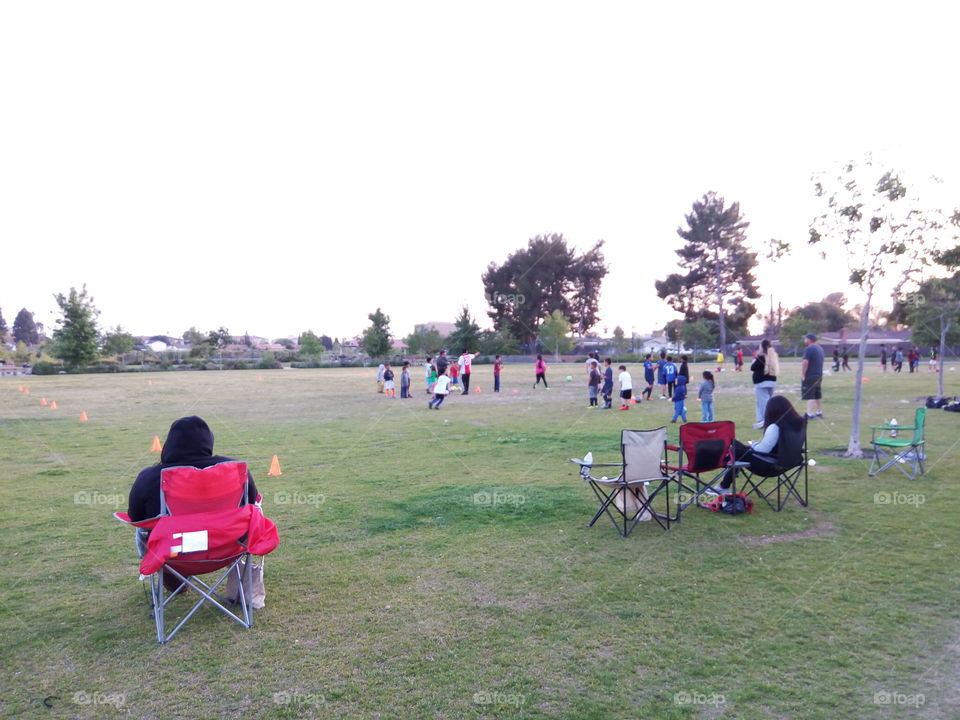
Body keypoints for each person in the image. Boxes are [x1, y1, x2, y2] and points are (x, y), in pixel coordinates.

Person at [128, 416, 260, 580]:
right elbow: (251, 503)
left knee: (146, 529)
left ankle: (173, 581)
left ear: (170, 444)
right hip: (227, 549)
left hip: (173, 555)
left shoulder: (150, 476)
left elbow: (136, 517)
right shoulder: (234, 469)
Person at [716, 395, 805, 491]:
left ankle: (723, 485)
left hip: (769, 466)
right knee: (737, 447)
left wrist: (753, 444)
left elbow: (763, 450)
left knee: (735, 450)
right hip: (788, 463)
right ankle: (726, 475)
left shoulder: (775, 427)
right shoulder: (798, 424)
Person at [750, 338, 779, 429]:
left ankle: (766, 421)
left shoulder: (761, 357)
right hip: (771, 382)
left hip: (761, 383)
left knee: (764, 403)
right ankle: (760, 420)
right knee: (764, 402)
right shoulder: (773, 357)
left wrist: (756, 358)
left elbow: (753, 367)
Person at [800, 333, 824, 419]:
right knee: (817, 394)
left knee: (810, 394)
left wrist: (803, 374)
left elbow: (805, 362)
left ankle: (809, 414)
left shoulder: (809, 349)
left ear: (809, 340)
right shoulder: (820, 349)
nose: (804, 340)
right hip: (819, 375)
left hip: (810, 375)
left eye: (805, 339)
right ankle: (819, 412)